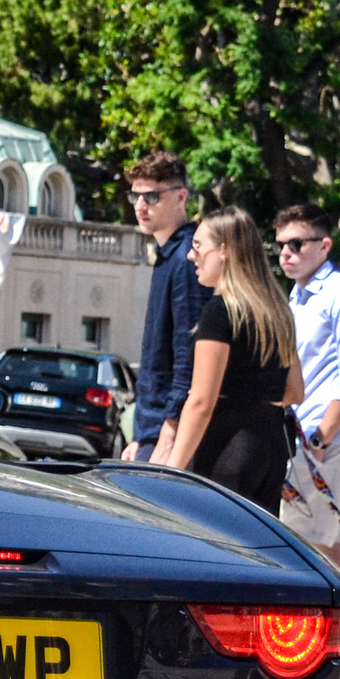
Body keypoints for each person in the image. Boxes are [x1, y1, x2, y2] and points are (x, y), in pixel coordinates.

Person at [156, 207, 302, 506]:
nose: (190, 255)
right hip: (269, 449)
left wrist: (172, 470)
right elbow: (294, 391)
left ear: (223, 250)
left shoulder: (220, 312)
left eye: (198, 246)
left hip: (225, 450)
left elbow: (201, 401)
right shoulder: (277, 311)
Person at [275, 203, 340, 582]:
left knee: (305, 555)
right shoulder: (296, 296)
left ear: (324, 245)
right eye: (281, 244)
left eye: (297, 243)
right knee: (338, 553)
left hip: (327, 445)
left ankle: (320, 641)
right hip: (314, 445)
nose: (286, 252)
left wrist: (320, 438)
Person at [125, 152, 209, 462]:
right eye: (135, 195)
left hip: (170, 430)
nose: (140, 205)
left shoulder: (188, 258)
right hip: (153, 429)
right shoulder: (167, 255)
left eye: (151, 196)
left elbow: (189, 355)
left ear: (181, 197)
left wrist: (169, 433)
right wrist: (140, 436)